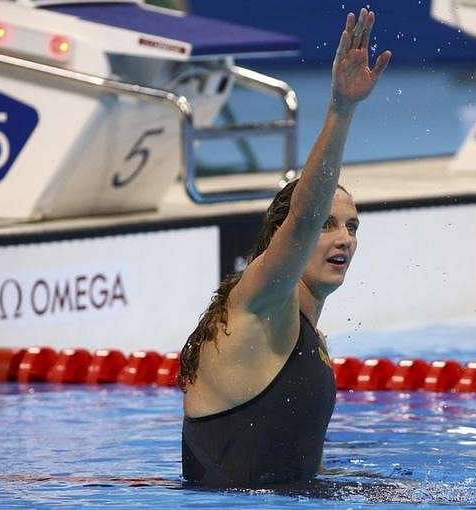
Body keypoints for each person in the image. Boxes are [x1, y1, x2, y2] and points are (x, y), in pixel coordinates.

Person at [178, 8, 391, 487]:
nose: (345, 238)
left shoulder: (309, 337)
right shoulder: (259, 303)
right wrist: (341, 108)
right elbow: (301, 216)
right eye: (329, 224)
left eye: (353, 227)